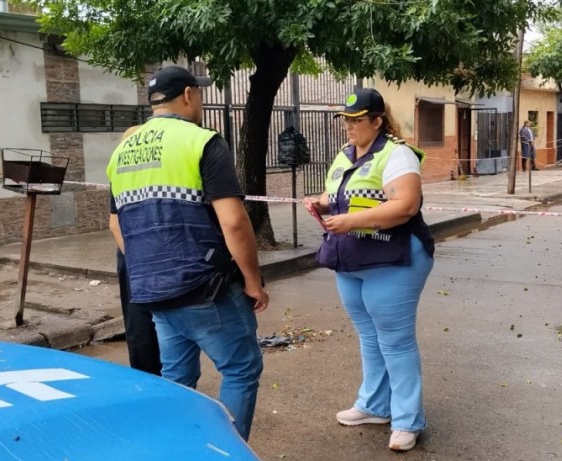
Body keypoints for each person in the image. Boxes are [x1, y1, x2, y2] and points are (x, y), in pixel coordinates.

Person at [106, 66, 269, 441]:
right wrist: (252, 281)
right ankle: (225, 452)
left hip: (153, 291)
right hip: (204, 287)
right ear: (189, 95)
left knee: (177, 378)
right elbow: (233, 222)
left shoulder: (123, 151)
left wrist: (151, 267)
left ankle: (179, 448)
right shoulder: (202, 141)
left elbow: (116, 224)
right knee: (241, 369)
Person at [304, 88, 435, 452]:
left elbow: (405, 205)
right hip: (352, 257)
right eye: (345, 120)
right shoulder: (346, 154)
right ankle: (375, 406)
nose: (349, 127)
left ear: (377, 121)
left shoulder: (397, 154)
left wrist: (351, 220)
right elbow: (339, 194)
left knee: (395, 339)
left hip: (393, 257)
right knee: (368, 335)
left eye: (357, 120)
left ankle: (408, 420)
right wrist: (320, 201)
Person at [109, 176, 162, 375]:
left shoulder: (122, 157)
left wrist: (135, 260)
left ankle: (147, 383)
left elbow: (114, 224)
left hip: (132, 253)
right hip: (162, 251)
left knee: (140, 324)